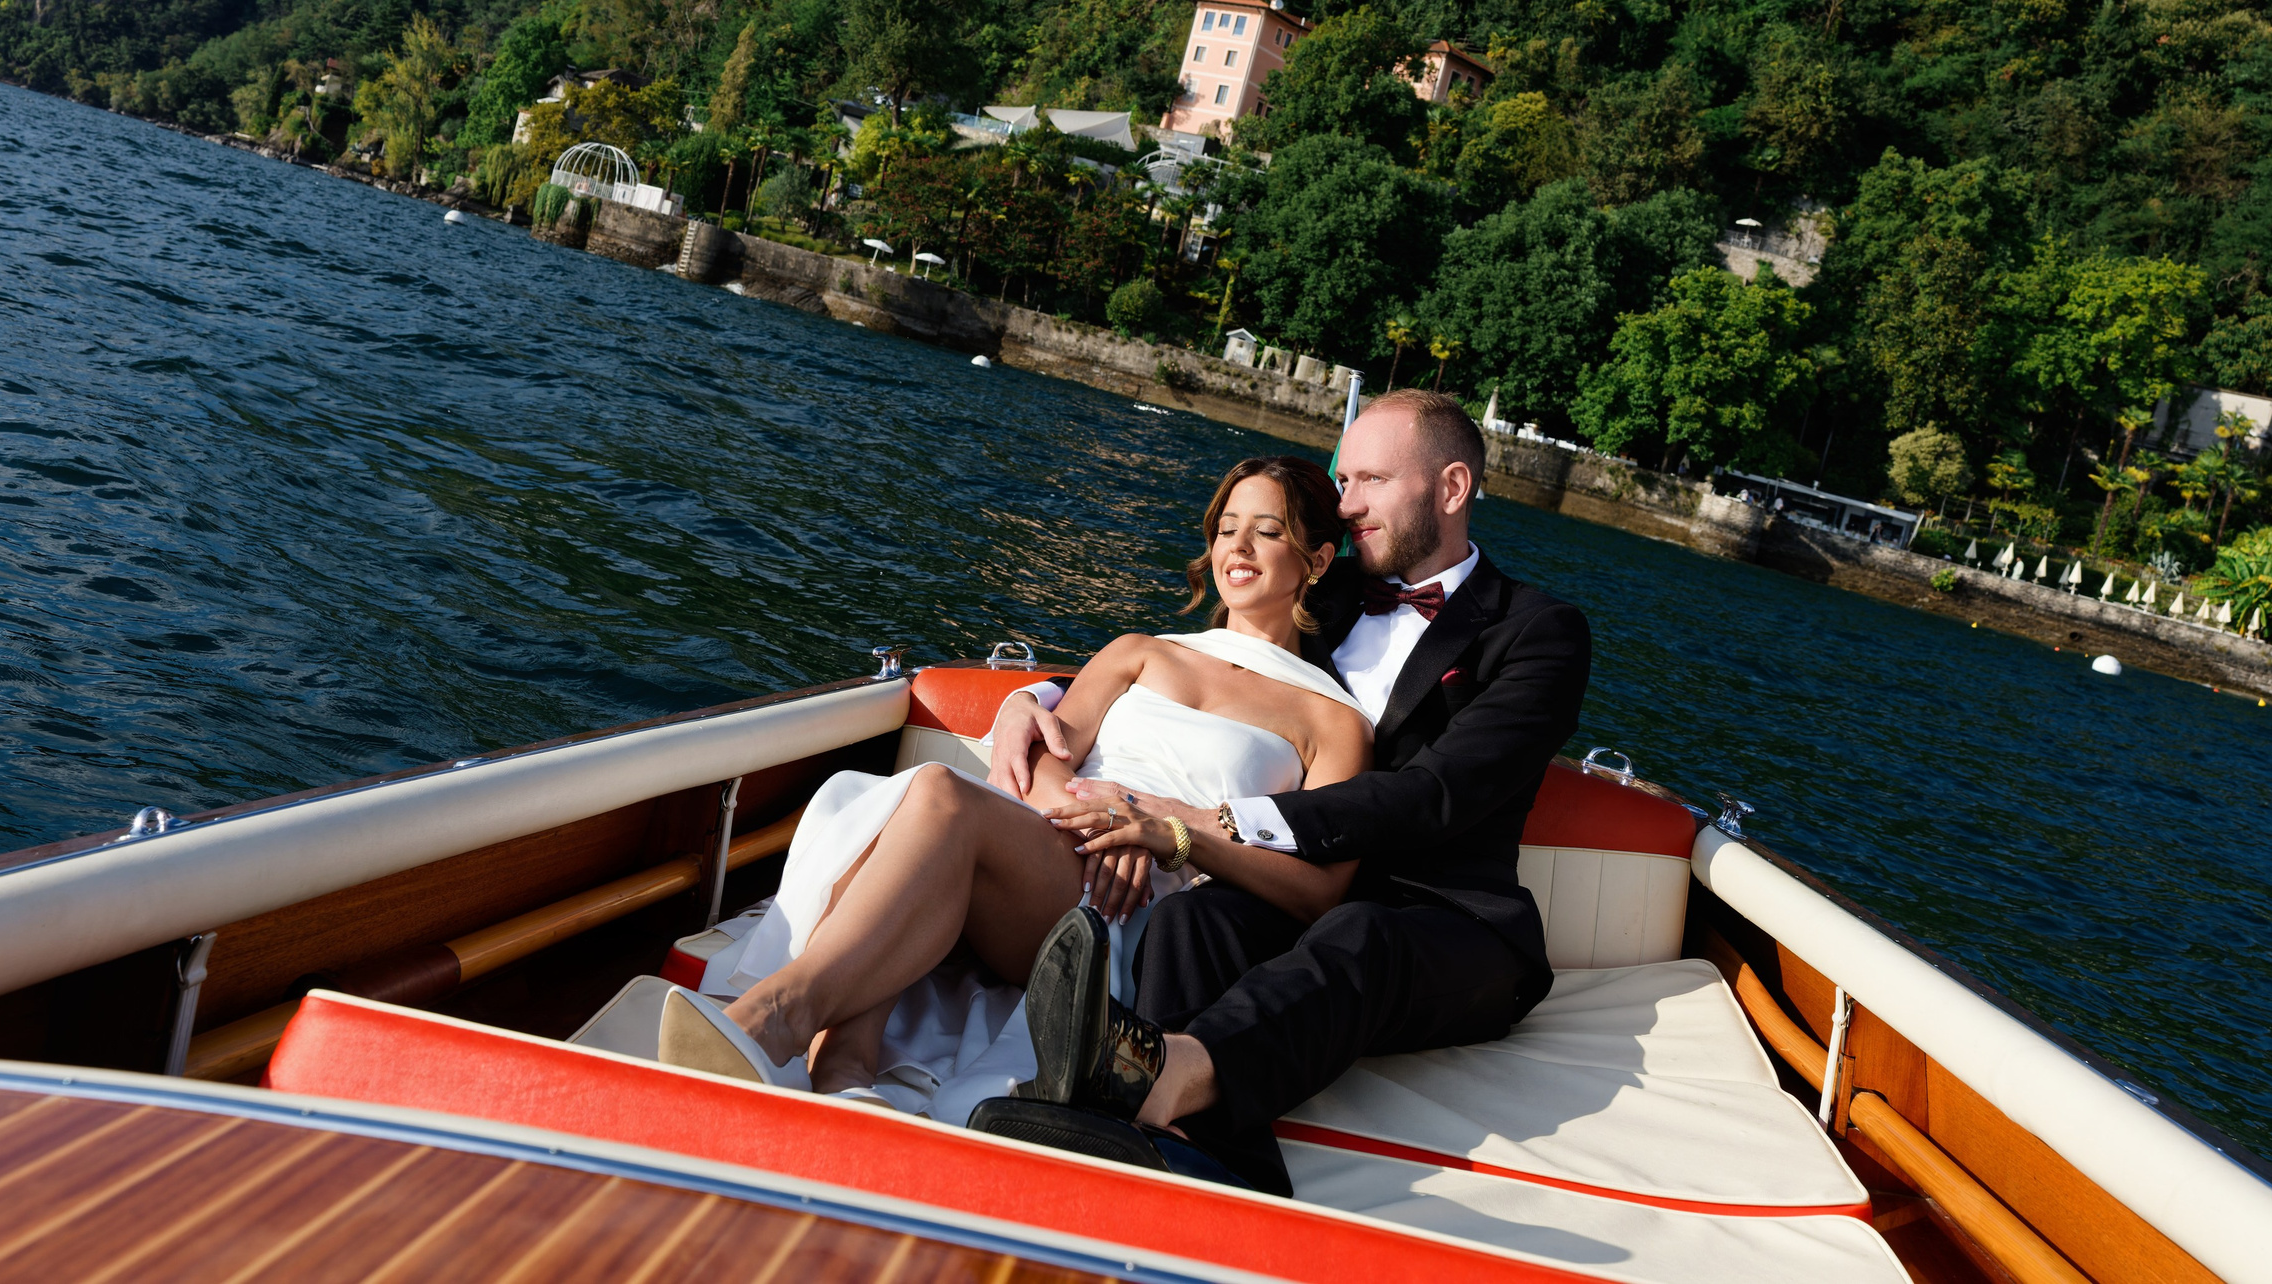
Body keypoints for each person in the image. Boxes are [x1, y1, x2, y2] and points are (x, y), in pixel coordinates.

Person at [976, 389, 1592, 1193]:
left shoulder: (1538, 632)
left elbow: (1435, 794)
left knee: (1363, 934)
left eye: (1370, 480)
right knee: (1190, 919)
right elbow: (1213, 668)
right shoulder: (1327, 595)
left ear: (1450, 489)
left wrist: (1215, 821)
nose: (1345, 504)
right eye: (1343, 482)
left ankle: (1152, 1086)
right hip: (1293, 889)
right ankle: (1206, 1158)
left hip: (1443, 918)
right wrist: (1039, 700)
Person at [651, 455, 1376, 1124]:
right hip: (1063, 845)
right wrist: (1099, 821)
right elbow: (1053, 757)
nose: (1238, 548)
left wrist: (1170, 836)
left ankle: (772, 1019)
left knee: (937, 796)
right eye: (1226, 528)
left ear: (1315, 559)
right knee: (927, 802)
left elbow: (1316, 889)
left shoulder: (1332, 722)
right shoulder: (1139, 653)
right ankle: (841, 1064)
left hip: (1138, 905)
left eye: (1267, 531)